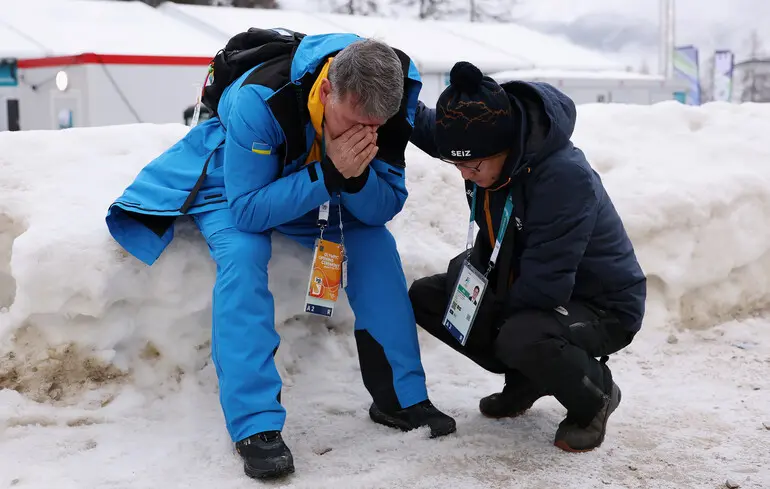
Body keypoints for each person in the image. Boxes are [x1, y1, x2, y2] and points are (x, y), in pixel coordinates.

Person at [105, 30, 456, 480]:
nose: (365, 135)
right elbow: (248, 210)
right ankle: (255, 425)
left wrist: (350, 177)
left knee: (375, 245)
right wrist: (329, 171)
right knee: (244, 255)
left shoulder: (384, 106)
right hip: (235, 184)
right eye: (354, 122)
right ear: (327, 90)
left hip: (319, 183)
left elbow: (383, 207)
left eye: (375, 128)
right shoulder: (261, 98)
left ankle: (401, 398)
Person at [407, 61, 647, 453]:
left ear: (508, 148)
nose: (465, 174)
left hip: (600, 304)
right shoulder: (481, 141)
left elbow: (546, 284)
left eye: (473, 165)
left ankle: (595, 397)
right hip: (529, 285)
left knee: (518, 333)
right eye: (457, 164)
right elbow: (422, 123)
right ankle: (529, 379)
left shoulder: (564, 178)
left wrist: (487, 309)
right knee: (431, 299)